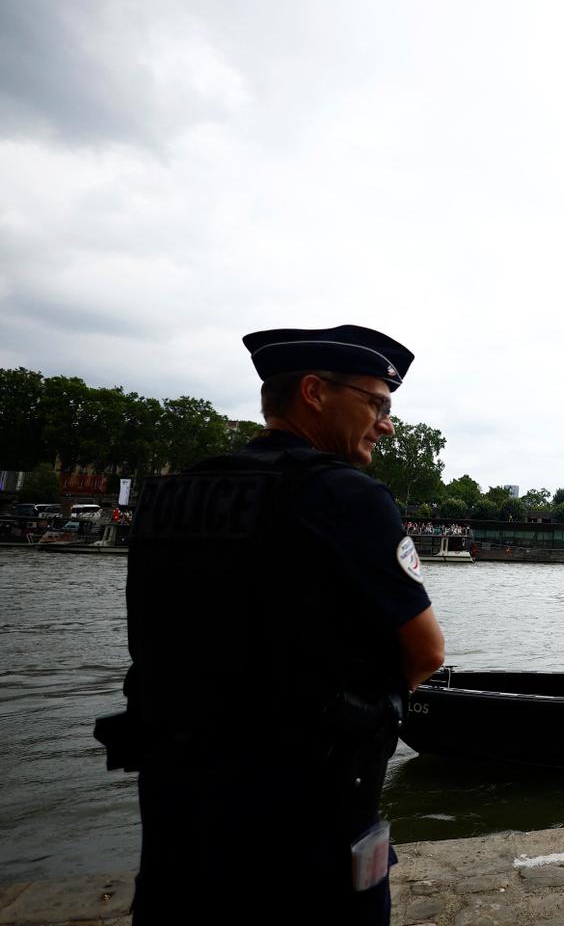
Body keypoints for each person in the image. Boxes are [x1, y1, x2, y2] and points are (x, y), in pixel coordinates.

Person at [104, 324, 446, 925]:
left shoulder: (174, 494)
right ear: (315, 392)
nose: (387, 424)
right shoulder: (348, 496)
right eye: (377, 403)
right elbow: (426, 652)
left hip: (178, 807)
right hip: (306, 812)